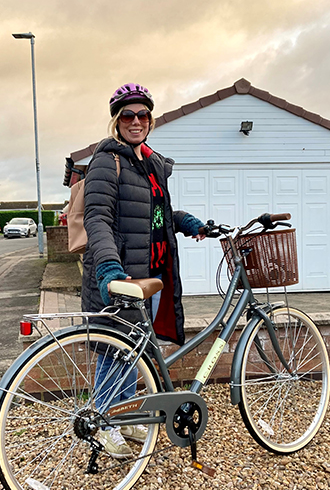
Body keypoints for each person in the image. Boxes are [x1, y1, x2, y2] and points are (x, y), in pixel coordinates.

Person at [82, 83, 206, 458]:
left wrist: (186, 221)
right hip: (119, 274)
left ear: (150, 120)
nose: (136, 121)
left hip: (149, 276)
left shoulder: (150, 163)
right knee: (112, 351)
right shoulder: (108, 160)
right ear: (116, 121)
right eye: (128, 116)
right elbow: (97, 217)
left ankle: (126, 417)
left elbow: (153, 215)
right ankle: (103, 422)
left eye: (142, 115)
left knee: (133, 353)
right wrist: (108, 268)